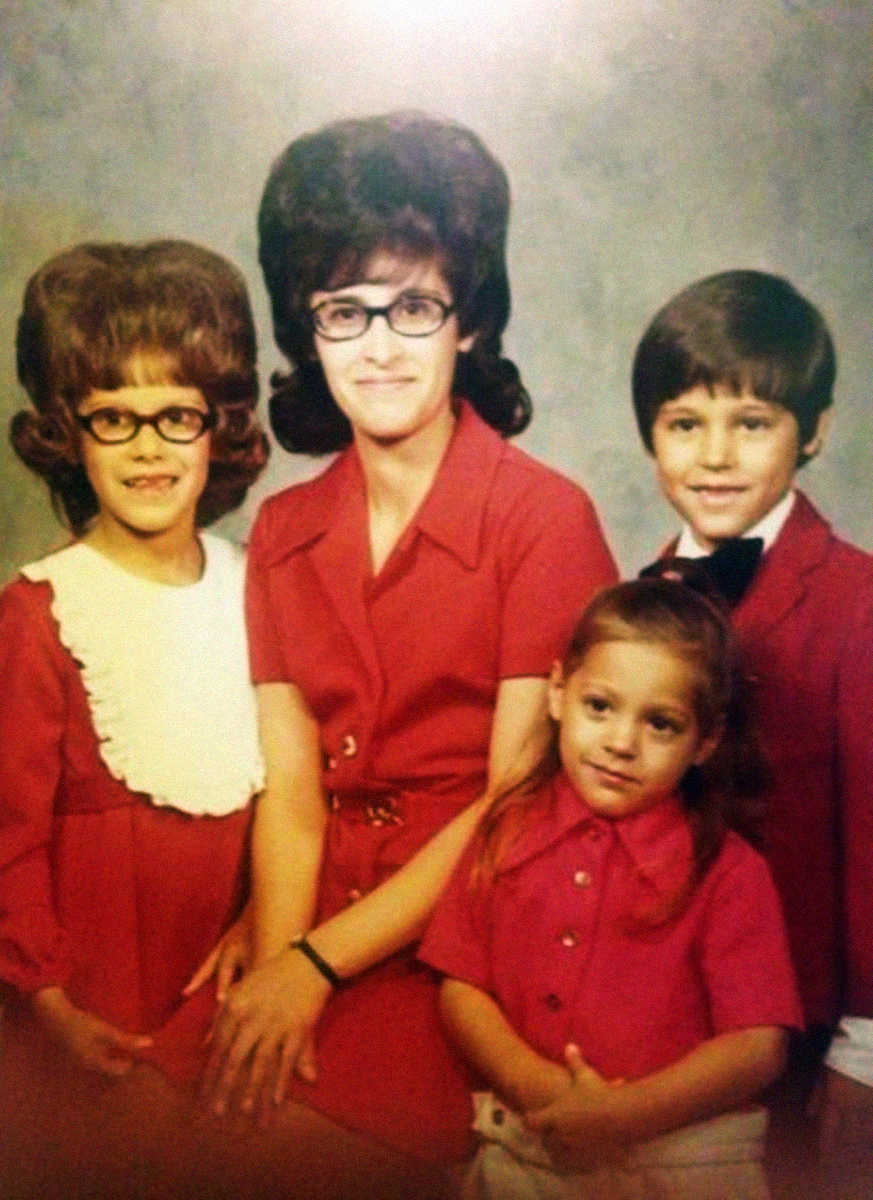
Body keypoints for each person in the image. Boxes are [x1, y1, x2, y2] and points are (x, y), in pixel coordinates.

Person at [194, 112, 618, 1177]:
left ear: (468, 322)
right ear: (309, 329)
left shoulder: (543, 519)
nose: (378, 345)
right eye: (345, 311)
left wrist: (316, 970)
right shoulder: (285, 533)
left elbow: (516, 800)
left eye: (414, 306)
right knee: (191, 1117)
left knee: (301, 1159)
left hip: (464, 940)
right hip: (319, 913)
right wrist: (277, 980)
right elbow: (292, 796)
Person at [0, 240, 269, 1192]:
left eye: (176, 415)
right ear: (70, 433)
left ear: (218, 428)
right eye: (114, 418)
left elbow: (304, 800)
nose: (148, 447)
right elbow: (5, 842)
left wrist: (268, 916)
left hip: (223, 993)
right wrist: (49, 1003)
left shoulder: (261, 588)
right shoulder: (41, 609)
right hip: (86, 1000)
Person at [420, 577, 802, 1200]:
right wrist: (541, 1090)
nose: (622, 744)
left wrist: (623, 1117)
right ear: (557, 694)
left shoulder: (730, 871)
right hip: (527, 1142)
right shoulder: (505, 831)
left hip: (684, 1162)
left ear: (705, 741)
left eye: (661, 724)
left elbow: (758, 1047)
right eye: (600, 707)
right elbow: (461, 986)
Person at [630, 269, 873, 1197]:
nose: (716, 456)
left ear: (812, 432)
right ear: (651, 436)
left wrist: (864, 1044)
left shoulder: (857, 600)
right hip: (663, 1018)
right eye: (686, 424)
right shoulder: (638, 599)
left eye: (753, 423)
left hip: (808, 1034)